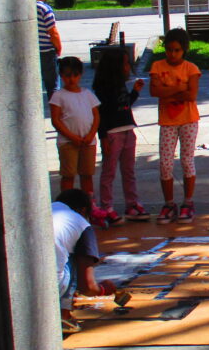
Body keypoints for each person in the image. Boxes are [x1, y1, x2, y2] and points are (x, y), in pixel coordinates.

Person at [150, 28, 202, 224]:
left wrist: (168, 91)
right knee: (165, 163)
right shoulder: (157, 66)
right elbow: (154, 90)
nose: (172, 54)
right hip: (167, 122)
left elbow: (191, 95)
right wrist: (180, 87)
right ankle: (169, 203)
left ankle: (188, 202)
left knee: (187, 160)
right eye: (169, 50)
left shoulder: (191, 69)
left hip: (188, 120)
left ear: (184, 50)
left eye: (177, 50)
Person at [92, 48, 149, 225]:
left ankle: (132, 204)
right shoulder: (103, 89)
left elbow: (124, 105)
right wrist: (102, 137)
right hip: (112, 134)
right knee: (109, 172)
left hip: (128, 130)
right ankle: (106, 207)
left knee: (128, 170)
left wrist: (134, 93)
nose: (127, 67)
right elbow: (100, 115)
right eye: (124, 63)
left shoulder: (120, 85)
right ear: (115, 66)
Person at [53, 189, 115, 335]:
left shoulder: (46, 207)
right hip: (49, 283)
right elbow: (87, 286)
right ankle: (64, 315)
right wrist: (103, 289)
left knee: (62, 251)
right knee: (74, 258)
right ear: (83, 210)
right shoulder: (81, 224)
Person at [50, 56, 101, 198]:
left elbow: (96, 116)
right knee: (68, 175)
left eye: (75, 75)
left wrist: (91, 135)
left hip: (88, 141)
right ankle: (66, 204)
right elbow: (55, 120)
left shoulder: (87, 94)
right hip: (68, 143)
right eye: (67, 76)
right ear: (61, 75)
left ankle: (89, 204)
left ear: (80, 74)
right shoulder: (58, 95)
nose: (71, 79)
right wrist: (72, 137)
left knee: (87, 174)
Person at [36, 0, 63, 98]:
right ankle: (56, 114)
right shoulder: (44, 9)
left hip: (34, 52)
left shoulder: (27, 7)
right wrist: (58, 47)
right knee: (53, 86)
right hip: (47, 52)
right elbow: (53, 32)